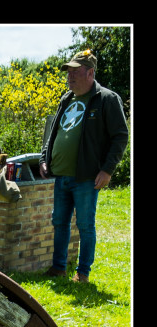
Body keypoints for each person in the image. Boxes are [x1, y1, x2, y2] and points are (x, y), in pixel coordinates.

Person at [39, 49, 128, 283]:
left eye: (75, 72)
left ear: (90, 73)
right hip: (61, 175)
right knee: (59, 222)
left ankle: (83, 273)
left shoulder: (107, 99)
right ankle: (59, 268)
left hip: (87, 177)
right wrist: (43, 159)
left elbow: (120, 136)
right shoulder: (66, 99)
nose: (69, 77)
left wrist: (107, 169)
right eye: (68, 72)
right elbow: (55, 132)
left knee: (85, 225)